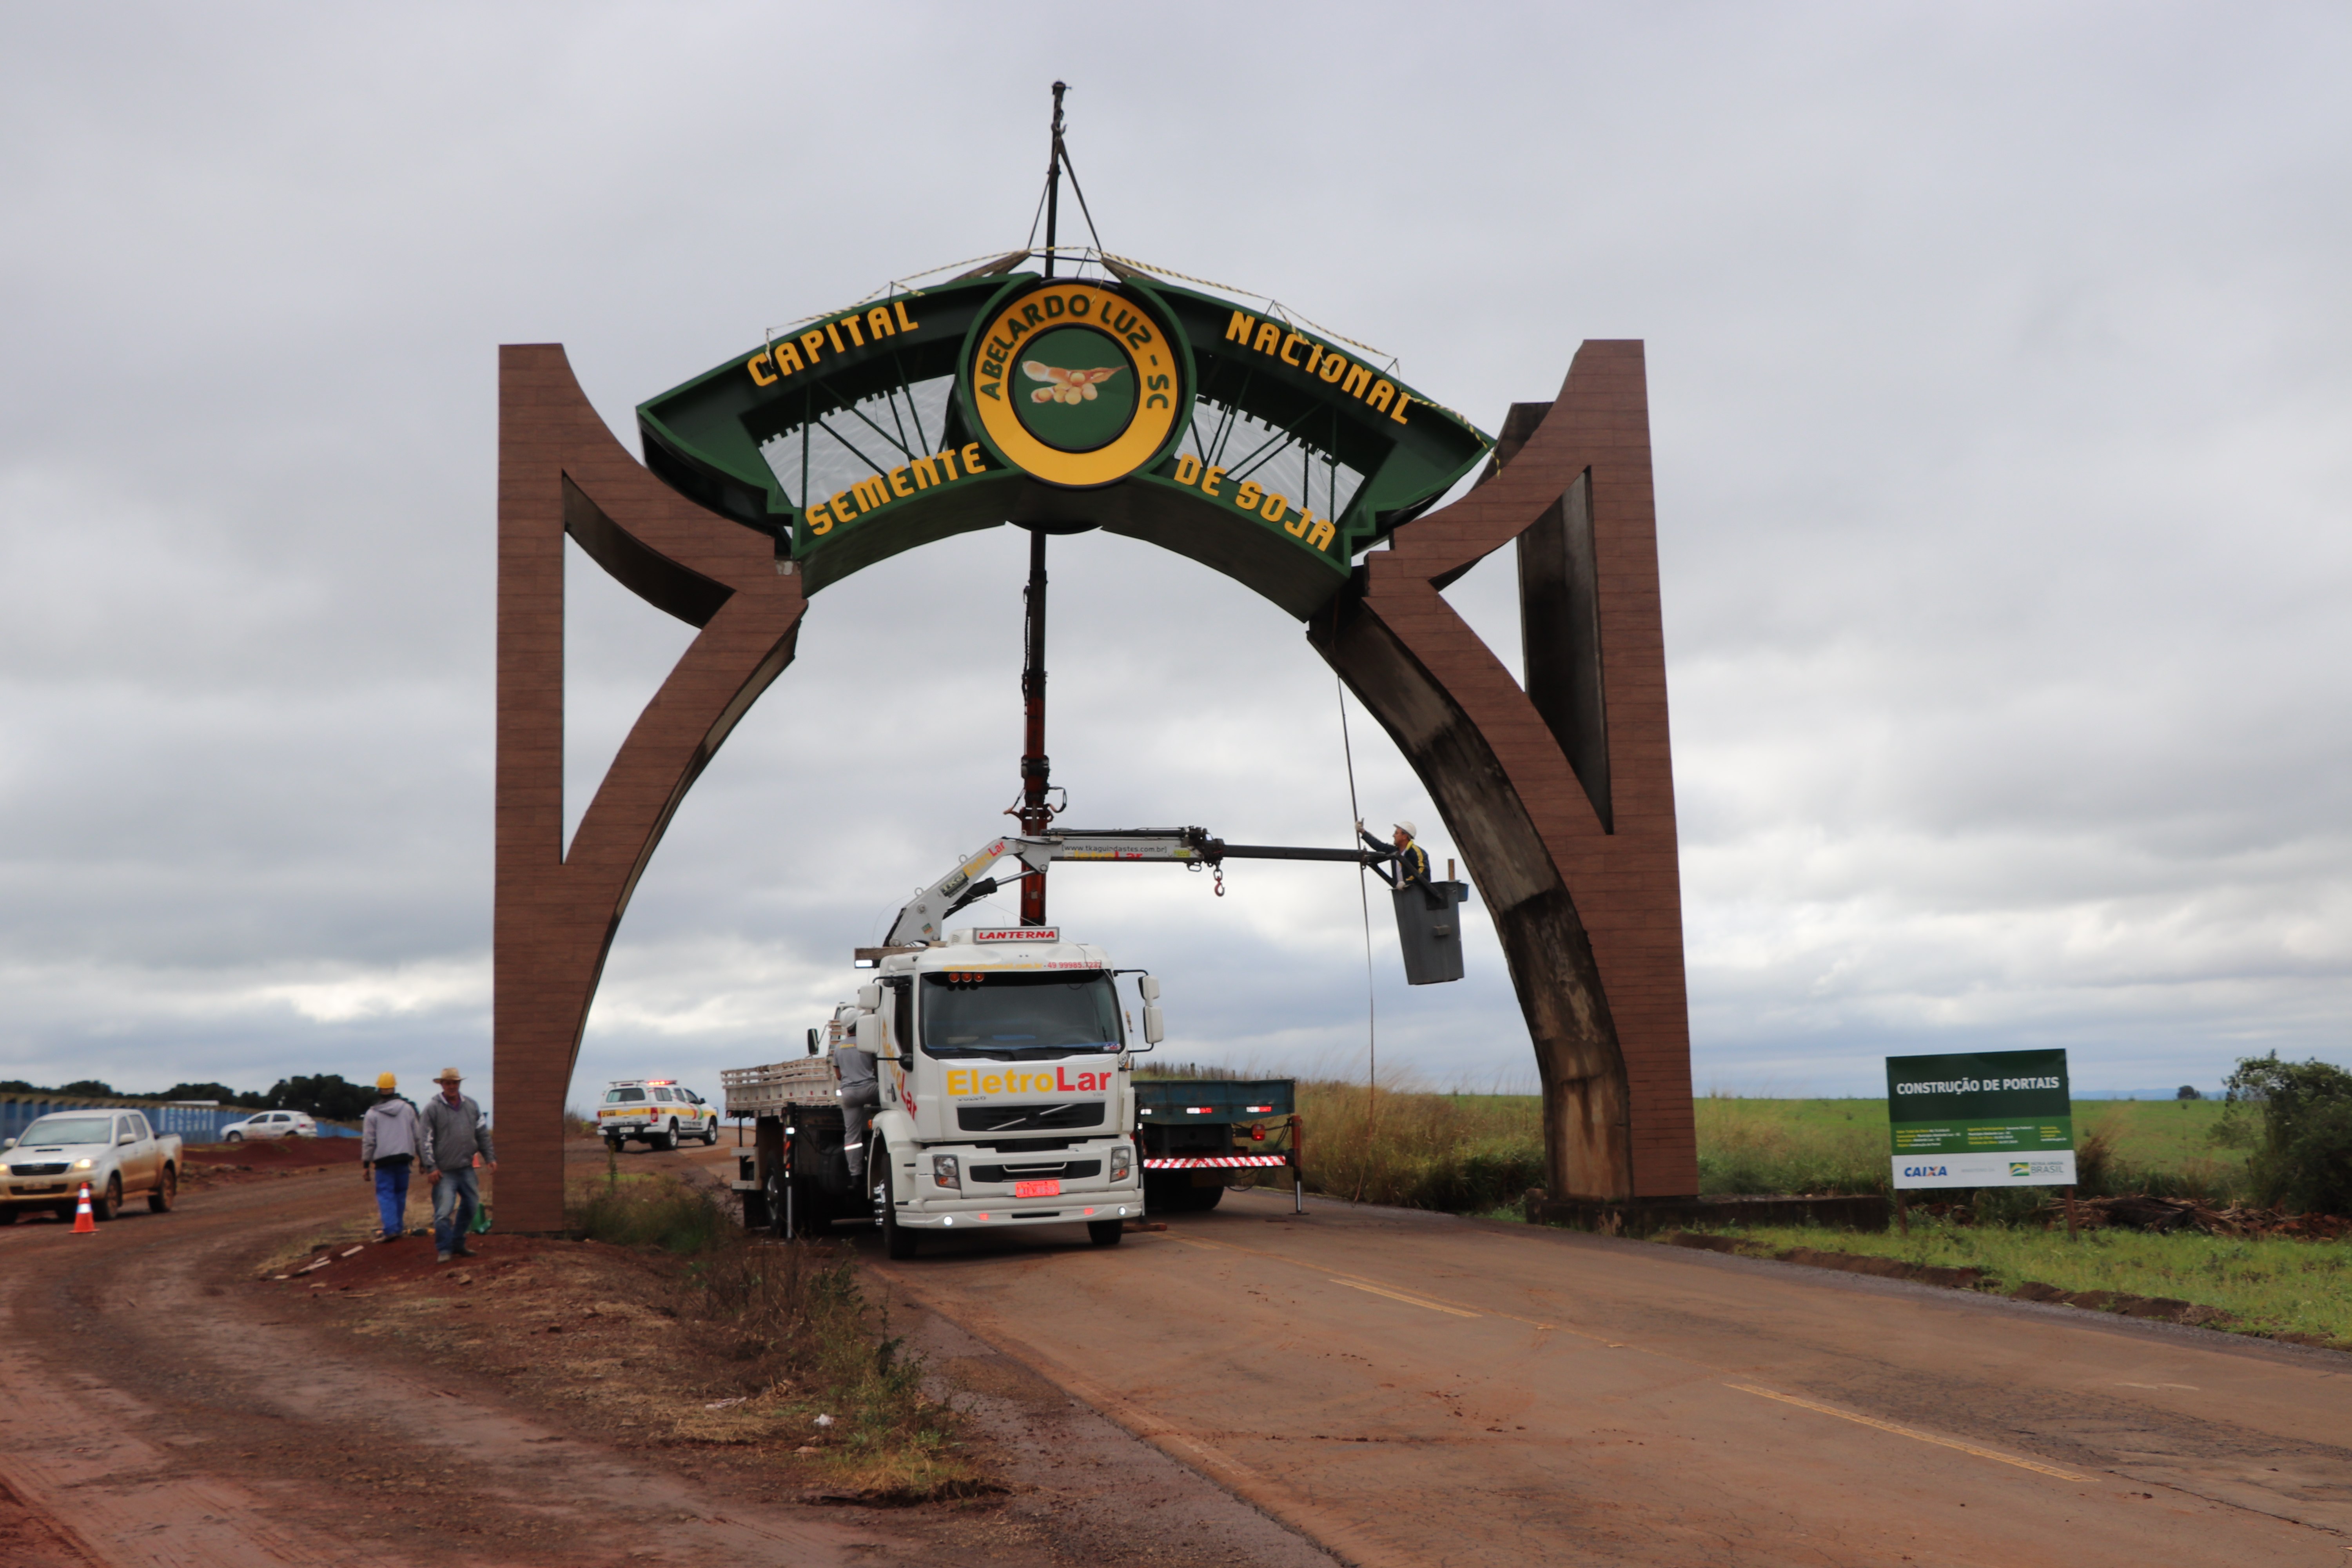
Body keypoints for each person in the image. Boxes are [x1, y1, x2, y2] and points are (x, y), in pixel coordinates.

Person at [421, 1067, 497, 1263]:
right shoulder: (432, 1109)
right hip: (444, 1171)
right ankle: (444, 1249)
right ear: (442, 1085)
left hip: (466, 1167)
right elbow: (425, 1140)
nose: (452, 1086)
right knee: (443, 1212)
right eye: (448, 1083)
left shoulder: (471, 1106)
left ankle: (457, 1242)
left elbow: (482, 1134)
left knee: (471, 1206)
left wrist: (490, 1158)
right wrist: (431, 1167)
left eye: (455, 1083)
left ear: (459, 1084)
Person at [359, 1073, 432, 1243]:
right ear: (394, 1088)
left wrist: (365, 1164)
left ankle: (390, 1230)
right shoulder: (407, 1109)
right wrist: (422, 1159)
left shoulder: (372, 1114)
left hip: (384, 1161)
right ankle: (397, 1228)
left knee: (386, 1194)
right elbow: (418, 1136)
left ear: (379, 1090)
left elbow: (369, 1141)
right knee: (400, 1193)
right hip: (404, 1158)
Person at [1359, 818, 1445, 909]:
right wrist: (1363, 831)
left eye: (1397, 833)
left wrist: (1407, 882)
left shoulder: (1416, 852)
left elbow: (1423, 872)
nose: (1394, 836)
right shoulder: (1395, 851)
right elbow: (1379, 845)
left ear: (1405, 836)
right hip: (1403, 895)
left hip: (1418, 895)